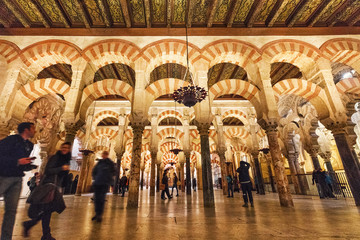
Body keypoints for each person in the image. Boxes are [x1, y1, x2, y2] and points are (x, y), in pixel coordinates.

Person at [23, 142, 72, 240]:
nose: (64, 149)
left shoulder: (66, 159)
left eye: (67, 148)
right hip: (49, 186)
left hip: (56, 186)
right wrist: (61, 168)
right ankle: (45, 234)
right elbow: (48, 170)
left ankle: (33, 226)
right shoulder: (55, 157)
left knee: (48, 210)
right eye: (63, 147)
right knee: (48, 210)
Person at [0, 122, 36, 240]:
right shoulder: (11, 140)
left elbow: (22, 162)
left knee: (11, 211)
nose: (35, 130)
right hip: (4, 176)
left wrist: (28, 165)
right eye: (33, 128)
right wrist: (17, 161)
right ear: (26, 130)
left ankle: (6, 238)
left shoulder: (29, 145)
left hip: (17, 179)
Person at [91, 151, 116, 222]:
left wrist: (110, 183)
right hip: (97, 183)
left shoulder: (110, 163)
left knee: (101, 199)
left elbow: (113, 172)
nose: (103, 156)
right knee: (96, 199)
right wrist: (95, 179)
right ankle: (97, 213)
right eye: (103, 154)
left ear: (107, 155)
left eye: (105, 154)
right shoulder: (99, 162)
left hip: (104, 184)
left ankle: (99, 214)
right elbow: (94, 171)